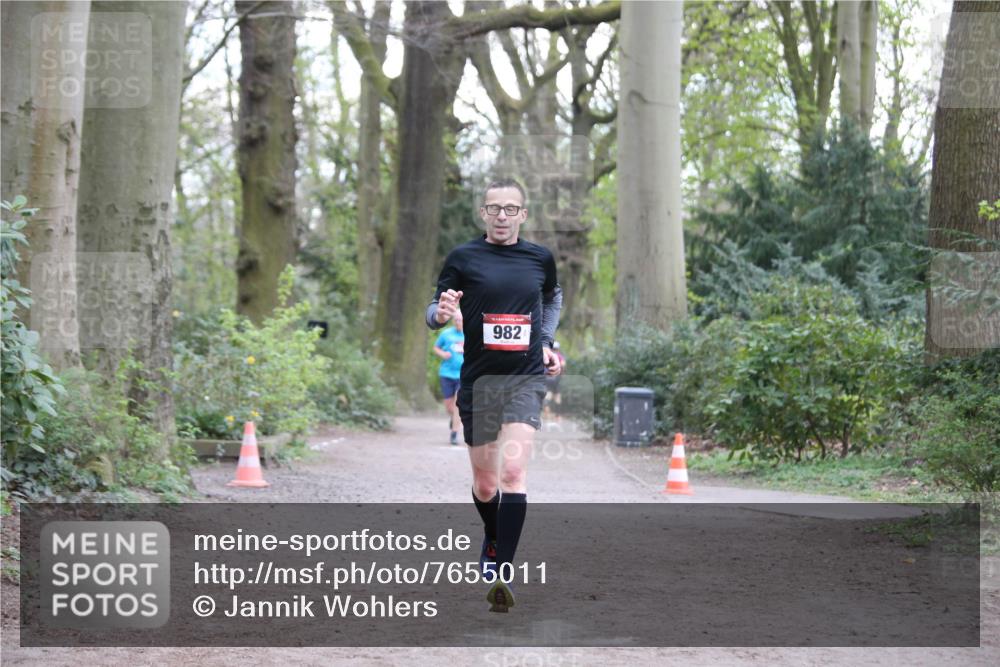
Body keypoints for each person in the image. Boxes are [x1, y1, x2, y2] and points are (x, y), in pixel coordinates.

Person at [426, 177, 562, 613]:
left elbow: (552, 298)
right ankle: (493, 538)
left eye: (510, 209)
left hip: (524, 379)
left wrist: (547, 342)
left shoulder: (540, 258)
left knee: (513, 475)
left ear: (523, 214)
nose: (501, 215)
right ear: (483, 213)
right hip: (479, 382)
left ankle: (502, 572)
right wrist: (441, 313)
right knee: (486, 486)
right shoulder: (463, 258)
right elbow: (434, 310)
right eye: (493, 208)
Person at [432, 310, 464, 445]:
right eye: (456, 319)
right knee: (449, 406)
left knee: (458, 404)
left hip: (463, 374)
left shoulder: (470, 334)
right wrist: (443, 354)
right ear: (452, 320)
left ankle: (454, 433)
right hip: (446, 373)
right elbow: (436, 348)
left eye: (460, 320)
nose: (458, 322)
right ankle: (454, 419)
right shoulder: (446, 334)